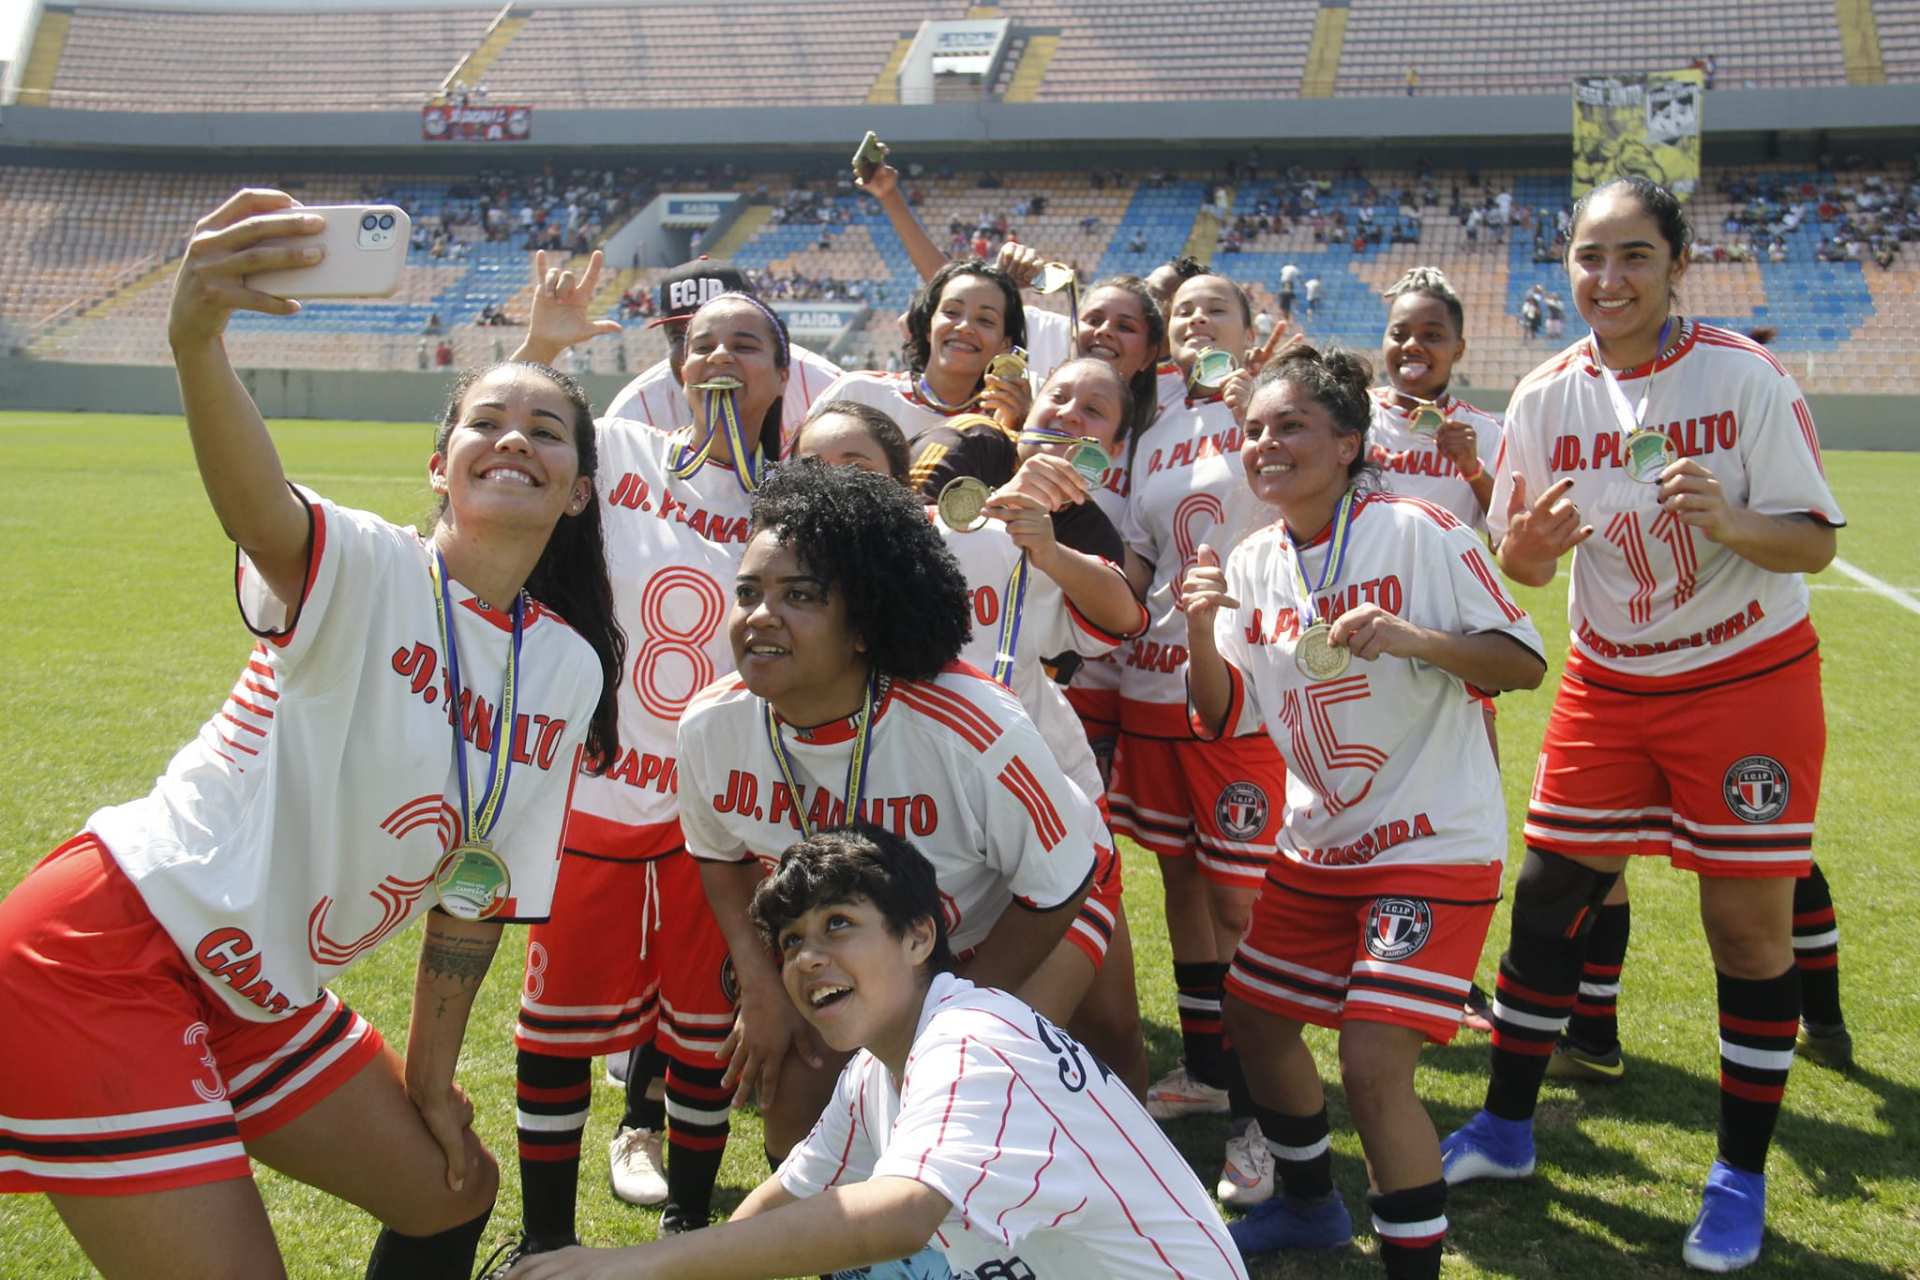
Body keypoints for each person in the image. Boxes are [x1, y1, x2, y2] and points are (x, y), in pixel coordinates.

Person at [0, 188, 621, 1280]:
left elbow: (472, 891)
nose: (512, 439)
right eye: (483, 423)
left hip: (260, 988)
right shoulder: (369, 566)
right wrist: (198, 342)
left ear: (579, 490)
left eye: (546, 431)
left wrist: (431, 1080)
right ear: (440, 466)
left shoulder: (564, 666)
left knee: (453, 1187)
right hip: (115, 946)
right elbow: (257, 507)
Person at [1442, 176, 1846, 1274]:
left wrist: (1734, 518)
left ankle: (1737, 1174)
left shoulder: (1743, 374)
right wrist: (1524, 549)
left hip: (1746, 678)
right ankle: (1507, 1127)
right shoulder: (1542, 396)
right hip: (1610, 681)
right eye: (1588, 256)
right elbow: (1518, 564)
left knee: (1748, 933)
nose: (1607, 279)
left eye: (1633, 256)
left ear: (1676, 263)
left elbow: (1812, 544)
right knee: (1546, 897)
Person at [501, 826, 1247, 1279]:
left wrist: (629, 1268)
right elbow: (783, 1202)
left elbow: (896, 1217)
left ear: (920, 936)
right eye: (791, 942)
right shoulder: (878, 1070)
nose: (808, 959)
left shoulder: (972, 1044)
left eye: (838, 925)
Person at [1183, 345, 1545, 1278]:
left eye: (1291, 425)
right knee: (1254, 1020)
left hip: (1432, 838)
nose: (1266, 443)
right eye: (1254, 428)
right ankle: (1309, 1208)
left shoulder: (1419, 530)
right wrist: (1197, 622)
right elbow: (1223, 713)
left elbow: (1521, 661)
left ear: (1349, 442)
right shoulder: (1255, 559)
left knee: (1374, 1064)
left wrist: (1410, 639)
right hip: (1318, 846)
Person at [489, 281, 796, 1269]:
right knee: (556, 1025)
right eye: (703, 342)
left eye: (747, 343)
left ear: (782, 375)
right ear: (675, 367)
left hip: (722, 809)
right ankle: (546, 1231)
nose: (721, 357)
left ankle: (691, 1217)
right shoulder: (621, 451)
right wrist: (544, 340)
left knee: (705, 1024)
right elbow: (516, 435)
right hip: (599, 793)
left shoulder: (793, 499)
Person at [676, 460, 1098, 1168]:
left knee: (970, 1109)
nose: (760, 615)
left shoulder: (970, 728)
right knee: (797, 1131)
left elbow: (1057, 886)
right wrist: (762, 985)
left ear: (865, 624)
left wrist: (940, 1019)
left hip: (1039, 904)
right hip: (865, 939)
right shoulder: (710, 727)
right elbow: (717, 854)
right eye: (748, 591)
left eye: (799, 594)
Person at [794, 378, 1152, 1096]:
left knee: (1104, 1022)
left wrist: (1047, 549)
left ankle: (1140, 1181)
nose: (835, 488)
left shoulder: (978, 543)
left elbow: (1122, 618)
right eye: (815, 471)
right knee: (932, 1049)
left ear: (902, 485)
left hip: (1045, 814)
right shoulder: (783, 580)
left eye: (857, 469)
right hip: (912, 833)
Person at [1110, 269, 1288, 1207]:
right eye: (1181, 314)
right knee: (1182, 879)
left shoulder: (1268, 408)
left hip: (1245, 685)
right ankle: (1211, 1069)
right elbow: (1143, 557)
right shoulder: (1156, 429)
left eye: (1213, 309)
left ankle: (1263, 1120)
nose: (1193, 323)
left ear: (1250, 325)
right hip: (1153, 678)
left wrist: (1265, 383)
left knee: (1238, 902)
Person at [585, 256, 841, 445]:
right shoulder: (635, 411)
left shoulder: (826, 387)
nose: (717, 356)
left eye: (741, 343)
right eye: (686, 339)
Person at [816, 259, 1030, 444]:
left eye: (985, 320)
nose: (964, 327)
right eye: (951, 312)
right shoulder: (859, 394)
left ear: (1004, 343)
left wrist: (1020, 429)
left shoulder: (1006, 422)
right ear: (928, 326)